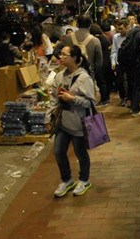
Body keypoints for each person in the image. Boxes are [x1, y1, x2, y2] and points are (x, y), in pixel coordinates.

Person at [46, 45, 96, 198]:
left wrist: (73, 99)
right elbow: (53, 99)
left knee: (81, 154)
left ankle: (84, 180)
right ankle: (67, 179)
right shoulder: (59, 76)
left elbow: (91, 102)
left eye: (64, 54)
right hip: (62, 122)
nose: (60, 57)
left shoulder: (83, 78)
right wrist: (48, 118)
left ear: (74, 58)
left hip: (78, 123)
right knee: (59, 152)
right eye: (60, 54)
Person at [90, 23, 110, 105]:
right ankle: (106, 98)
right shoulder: (103, 38)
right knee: (105, 81)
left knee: (101, 82)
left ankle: (104, 99)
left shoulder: (96, 40)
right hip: (106, 61)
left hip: (100, 63)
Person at [110, 20, 129, 106]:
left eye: (121, 29)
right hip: (119, 62)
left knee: (128, 81)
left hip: (128, 62)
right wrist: (113, 62)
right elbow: (114, 51)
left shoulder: (130, 37)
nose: (120, 31)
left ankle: (129, 98)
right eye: (119, 29)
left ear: (126, 28)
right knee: (120, 81)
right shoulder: (116, 37)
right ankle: (123, 98)